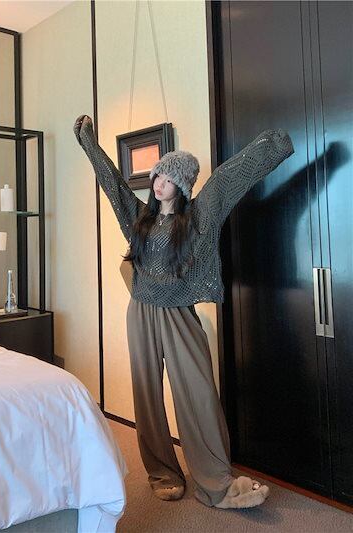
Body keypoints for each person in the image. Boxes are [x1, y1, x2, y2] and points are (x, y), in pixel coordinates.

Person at [73, 114, 294, 509]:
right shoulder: (139, 218)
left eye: (169, 178)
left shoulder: (198, 220)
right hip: (141, 311)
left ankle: (216, 484)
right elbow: (112, 183)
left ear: (183, 186)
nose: (159, 183)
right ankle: (163, 473)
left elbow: (227, 180)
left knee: (199, 392)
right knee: (146, 393)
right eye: (158, 175)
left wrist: (273, 145)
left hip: (179, 314)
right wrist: (88, 140)